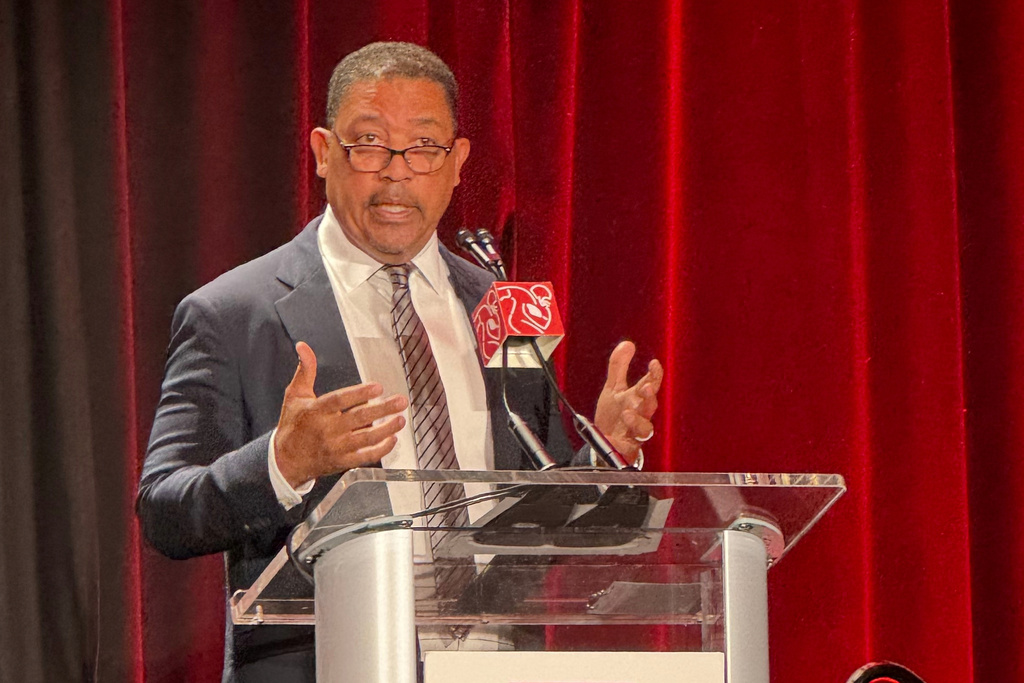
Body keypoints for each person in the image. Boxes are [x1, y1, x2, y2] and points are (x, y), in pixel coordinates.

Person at [137, 41, 663, 682]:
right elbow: (166, 509)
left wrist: (601, 453)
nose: (396, 172)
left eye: (423, 147)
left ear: (457, 162)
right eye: (369, 144)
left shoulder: (497, 305)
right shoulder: (233, 314)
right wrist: (283, 462)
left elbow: (537, 511)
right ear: (324, 152)